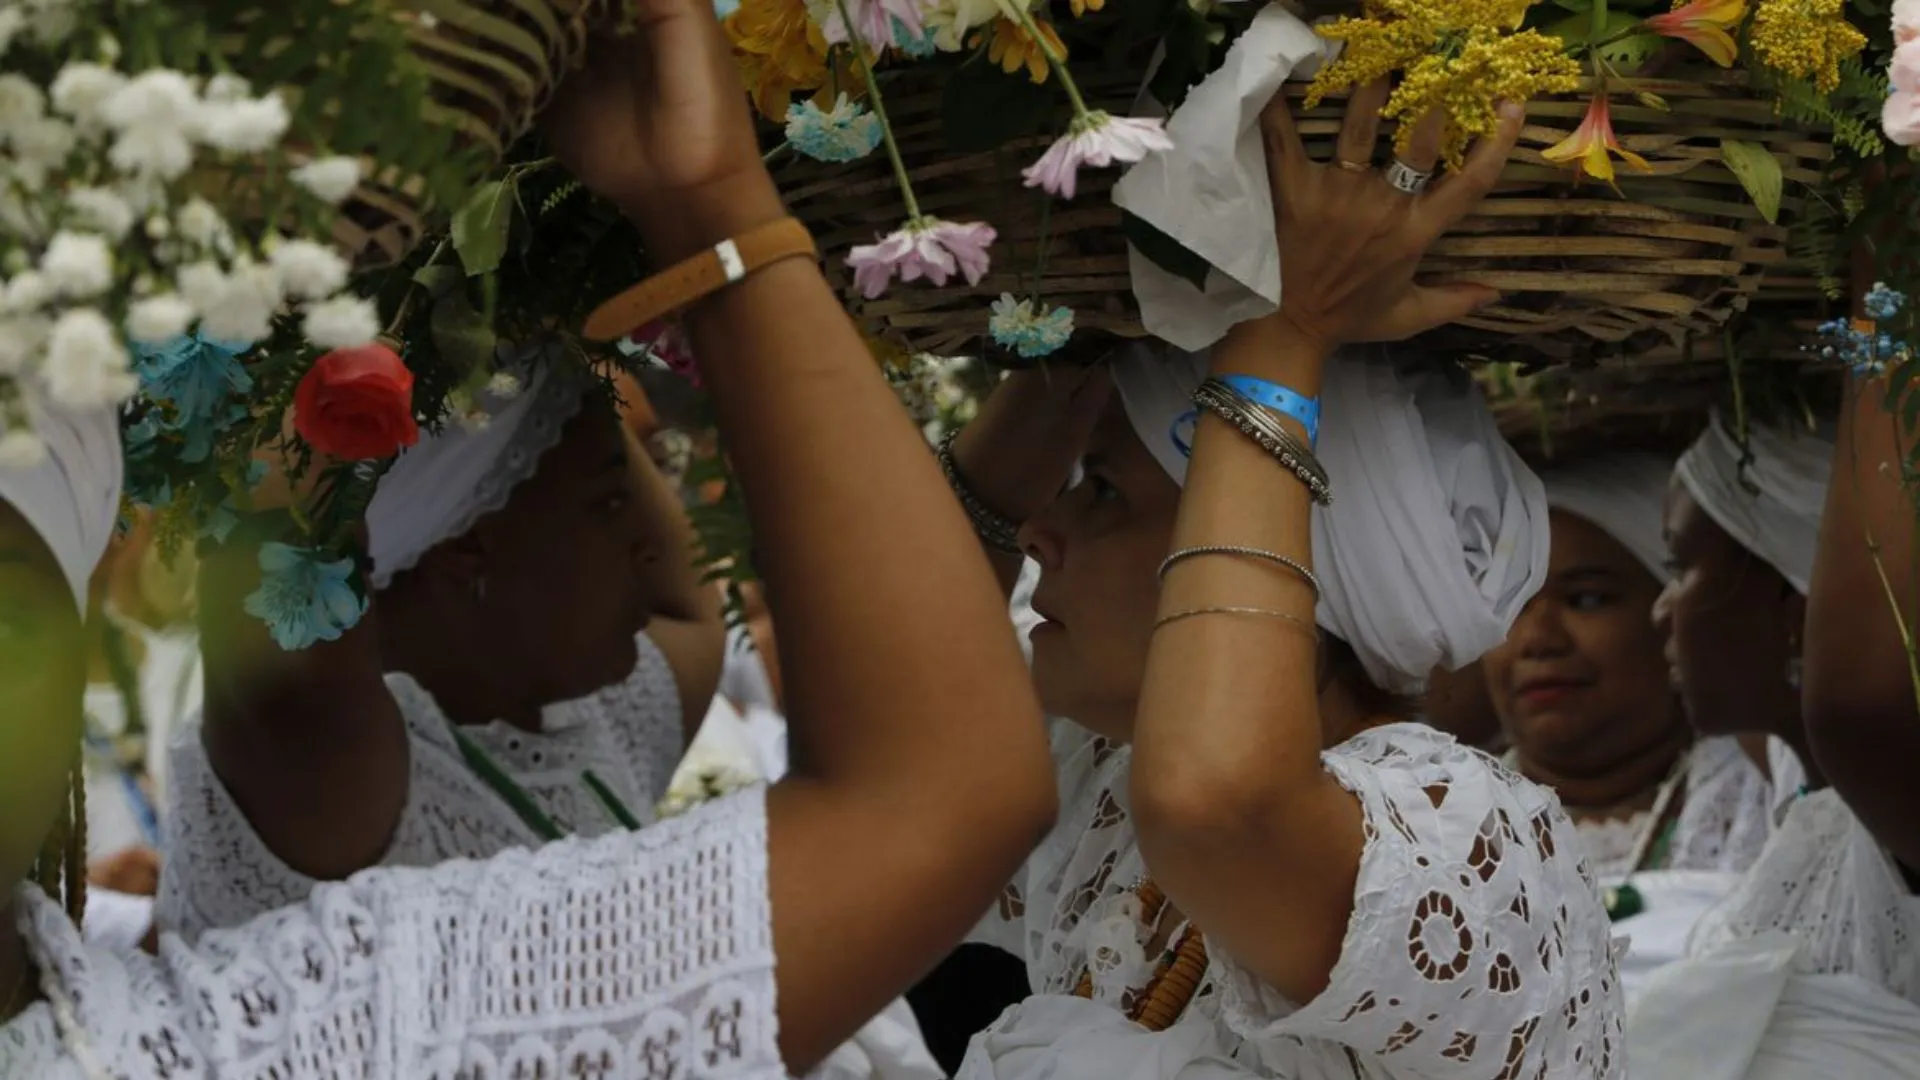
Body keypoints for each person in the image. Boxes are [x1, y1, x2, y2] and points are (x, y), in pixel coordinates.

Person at [0, 3, 1057, 1074]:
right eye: (614, 502)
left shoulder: (293, 1036)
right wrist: (697, 219)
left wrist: (658, 220)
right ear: (463, 555)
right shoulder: (328, 780)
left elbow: (924, 777)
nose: (655, 546)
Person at [943, 79, 1622, 1080]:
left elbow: (1220, 799)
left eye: (1104, 493)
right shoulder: (1108, 780)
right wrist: (1071, 342)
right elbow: (896, 681)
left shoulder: (1464, 833)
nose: (1041, 529)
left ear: (1274, 554)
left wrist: (1288, 332)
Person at [1625, 409, 1920, 1077]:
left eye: (1681, 567)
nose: (1660, 608)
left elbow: (1859, 705)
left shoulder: (1896, 789)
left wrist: (1875, 317)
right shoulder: (1803, 800)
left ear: (1795, 609)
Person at [1483, 453, 1773, 886]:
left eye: (1586, 600)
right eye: (1508, 604)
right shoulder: (1439, 830)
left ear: (1672, 612)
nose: (1537, 639)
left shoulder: (1766, 797)